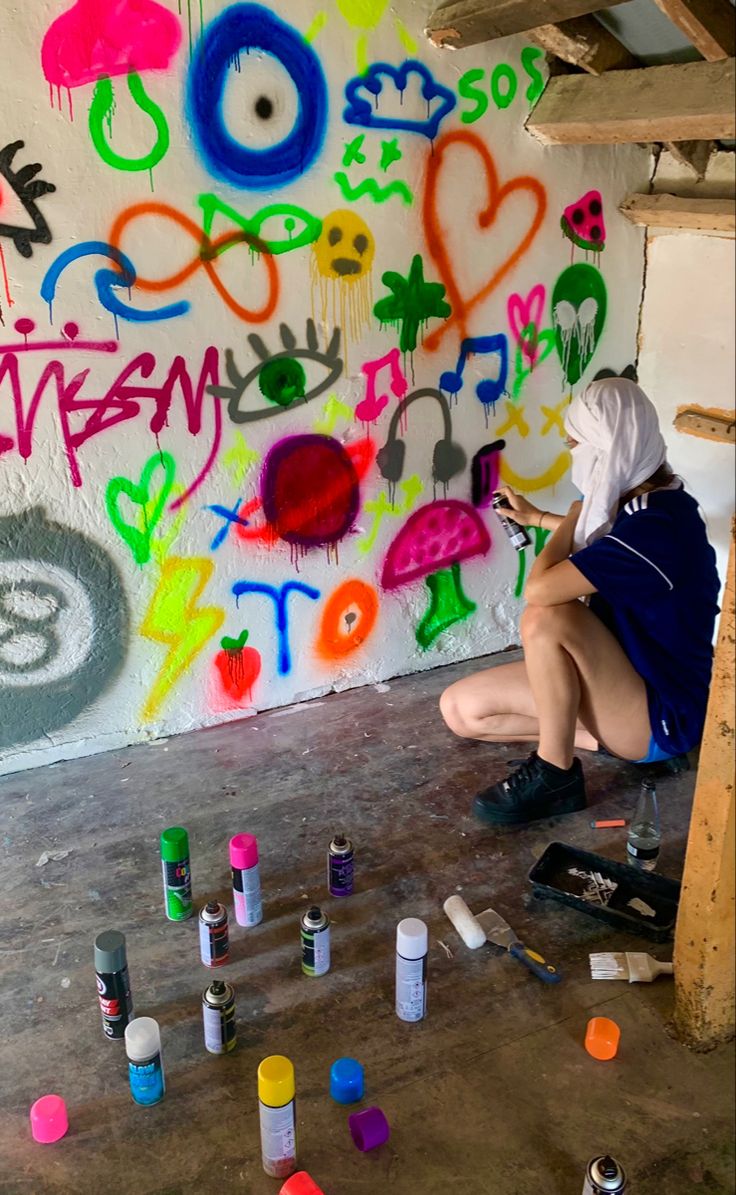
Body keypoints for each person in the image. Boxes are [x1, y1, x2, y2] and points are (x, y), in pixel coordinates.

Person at [439, 377, 720, 826]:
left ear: (608, 449)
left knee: (546, 619)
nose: (572, 456)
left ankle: (556, 771)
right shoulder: (646, 507)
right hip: (621, 684)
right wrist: (539, 518)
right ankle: (604, 746)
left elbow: (540, 590)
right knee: (461, 710)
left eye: (576, 444)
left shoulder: (656, 528)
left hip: (661, 711)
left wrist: (570, 518)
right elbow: (605, 544)